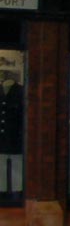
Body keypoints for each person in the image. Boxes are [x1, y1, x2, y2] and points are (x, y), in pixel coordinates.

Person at [0, 55, 24, 205]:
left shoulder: (20, 91)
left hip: (16, 138)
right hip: (2, 139)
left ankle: (17, 191)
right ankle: (2, 191)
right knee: (1, 166)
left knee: (17, 165)